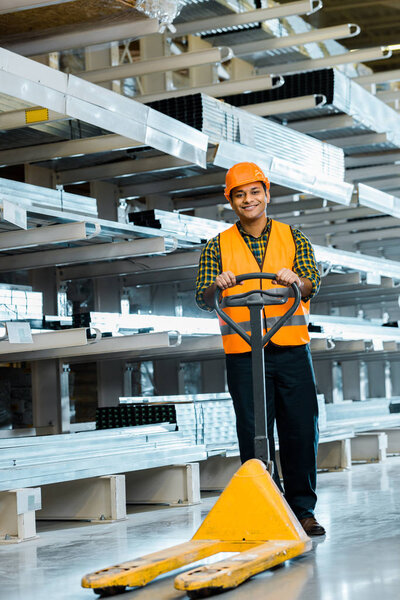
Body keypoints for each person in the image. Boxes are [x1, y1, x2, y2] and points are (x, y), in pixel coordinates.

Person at [195, 162, 325, 536]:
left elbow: (311, 283)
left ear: (267, 194)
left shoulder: (293, 236)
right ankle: (269, 507)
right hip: (244, 353)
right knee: (253, 432)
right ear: (231, 201)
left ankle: (303, 511)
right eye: (240, 194)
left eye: (254, 192)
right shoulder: (217, 245)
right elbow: (203, 297)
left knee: (301, 430)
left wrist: (295, 281)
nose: (248, 199)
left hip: (290, 351)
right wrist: (216, 285)